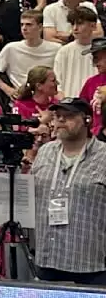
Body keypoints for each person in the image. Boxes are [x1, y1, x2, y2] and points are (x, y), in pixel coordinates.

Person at [32, 98, 106, 285]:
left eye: (69, 116)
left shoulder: (103, 156)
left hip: (90, 264)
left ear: (87, 120)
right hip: (47, 260)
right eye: (57, 116)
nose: (61, 121)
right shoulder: (45, 152)